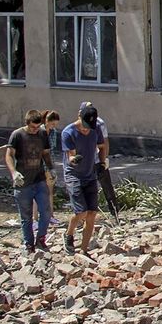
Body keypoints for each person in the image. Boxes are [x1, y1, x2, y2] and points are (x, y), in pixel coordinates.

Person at [5, 109, 53, 253]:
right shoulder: (17, 135)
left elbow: (45, 154)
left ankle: (41, 239)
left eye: (38, 127)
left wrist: (51, 169)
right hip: (23, 183)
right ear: (27, 123)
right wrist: (14, 172)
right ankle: (29, 244)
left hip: (39, 180)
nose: (35, 130)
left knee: (46, 212)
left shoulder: (42, 134)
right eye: (32, 127)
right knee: (26, 217)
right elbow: (9, 155)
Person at [60, 104, 106, 253]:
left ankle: (84, 251)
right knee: (81, 212)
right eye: (85, 126)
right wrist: (74, 160)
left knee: (92, 213)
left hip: (90, 174)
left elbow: (102, 146)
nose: (87, 130)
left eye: (89, 127)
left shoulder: (95, 129)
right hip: (74, 175)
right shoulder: (68, 132)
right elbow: (70, 156)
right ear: (79, 116)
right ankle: (69, 234)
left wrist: (102, 162)